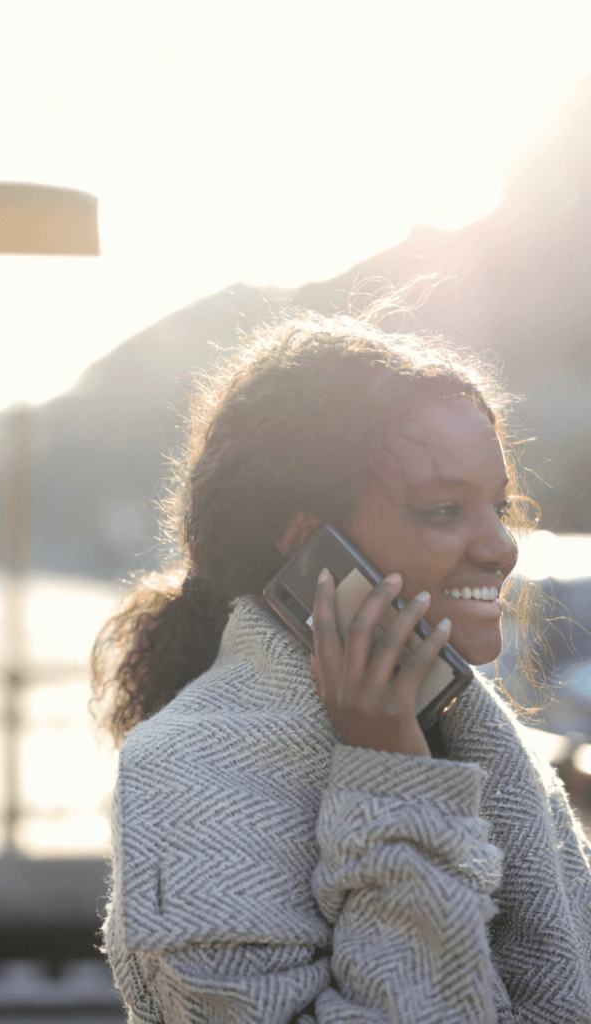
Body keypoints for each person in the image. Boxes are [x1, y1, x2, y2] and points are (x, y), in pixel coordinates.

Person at [92, 309, 591, 1022]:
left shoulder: (469, 729)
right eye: (444, 511)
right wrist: (395, 780)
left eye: (499, 506)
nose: (502, 548)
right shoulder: (189, 775)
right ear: (312, 549)